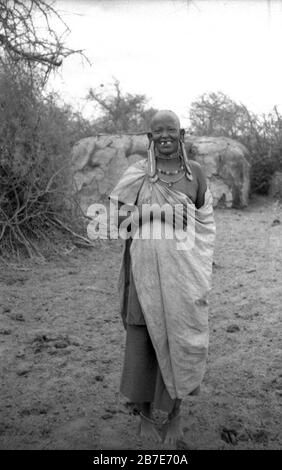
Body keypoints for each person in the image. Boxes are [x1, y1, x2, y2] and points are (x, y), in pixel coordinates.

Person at [109, 110, 216, 445]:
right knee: (141, 342)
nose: (165, 136)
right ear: (149, 137)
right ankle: (143, 416)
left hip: (184, 278)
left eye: (171, 130)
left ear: (181, 133)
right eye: (159, 131)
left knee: (181, 343)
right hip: (144, 278)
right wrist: (157, 212)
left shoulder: (194, 173)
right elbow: (117, 220)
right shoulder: (137, 174)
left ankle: (174, 417)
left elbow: (204, 223)